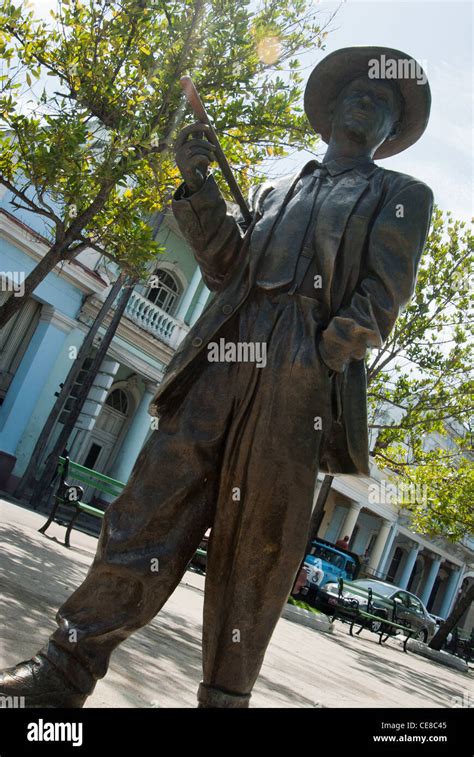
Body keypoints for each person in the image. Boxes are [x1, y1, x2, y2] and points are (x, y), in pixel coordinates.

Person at [0, 46, 433, 709]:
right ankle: (62, 672)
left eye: (383, 97)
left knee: (259, 543)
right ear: (331, 110)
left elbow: (383, 294)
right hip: (226, 352)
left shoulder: (401, 196)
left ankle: (222, 701)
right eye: (356, 88)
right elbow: (227, 269)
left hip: (298, 371)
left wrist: (323, 351)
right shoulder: (276, 188)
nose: (366, 97)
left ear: (391, 130)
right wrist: (199, 185)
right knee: (148, 505)